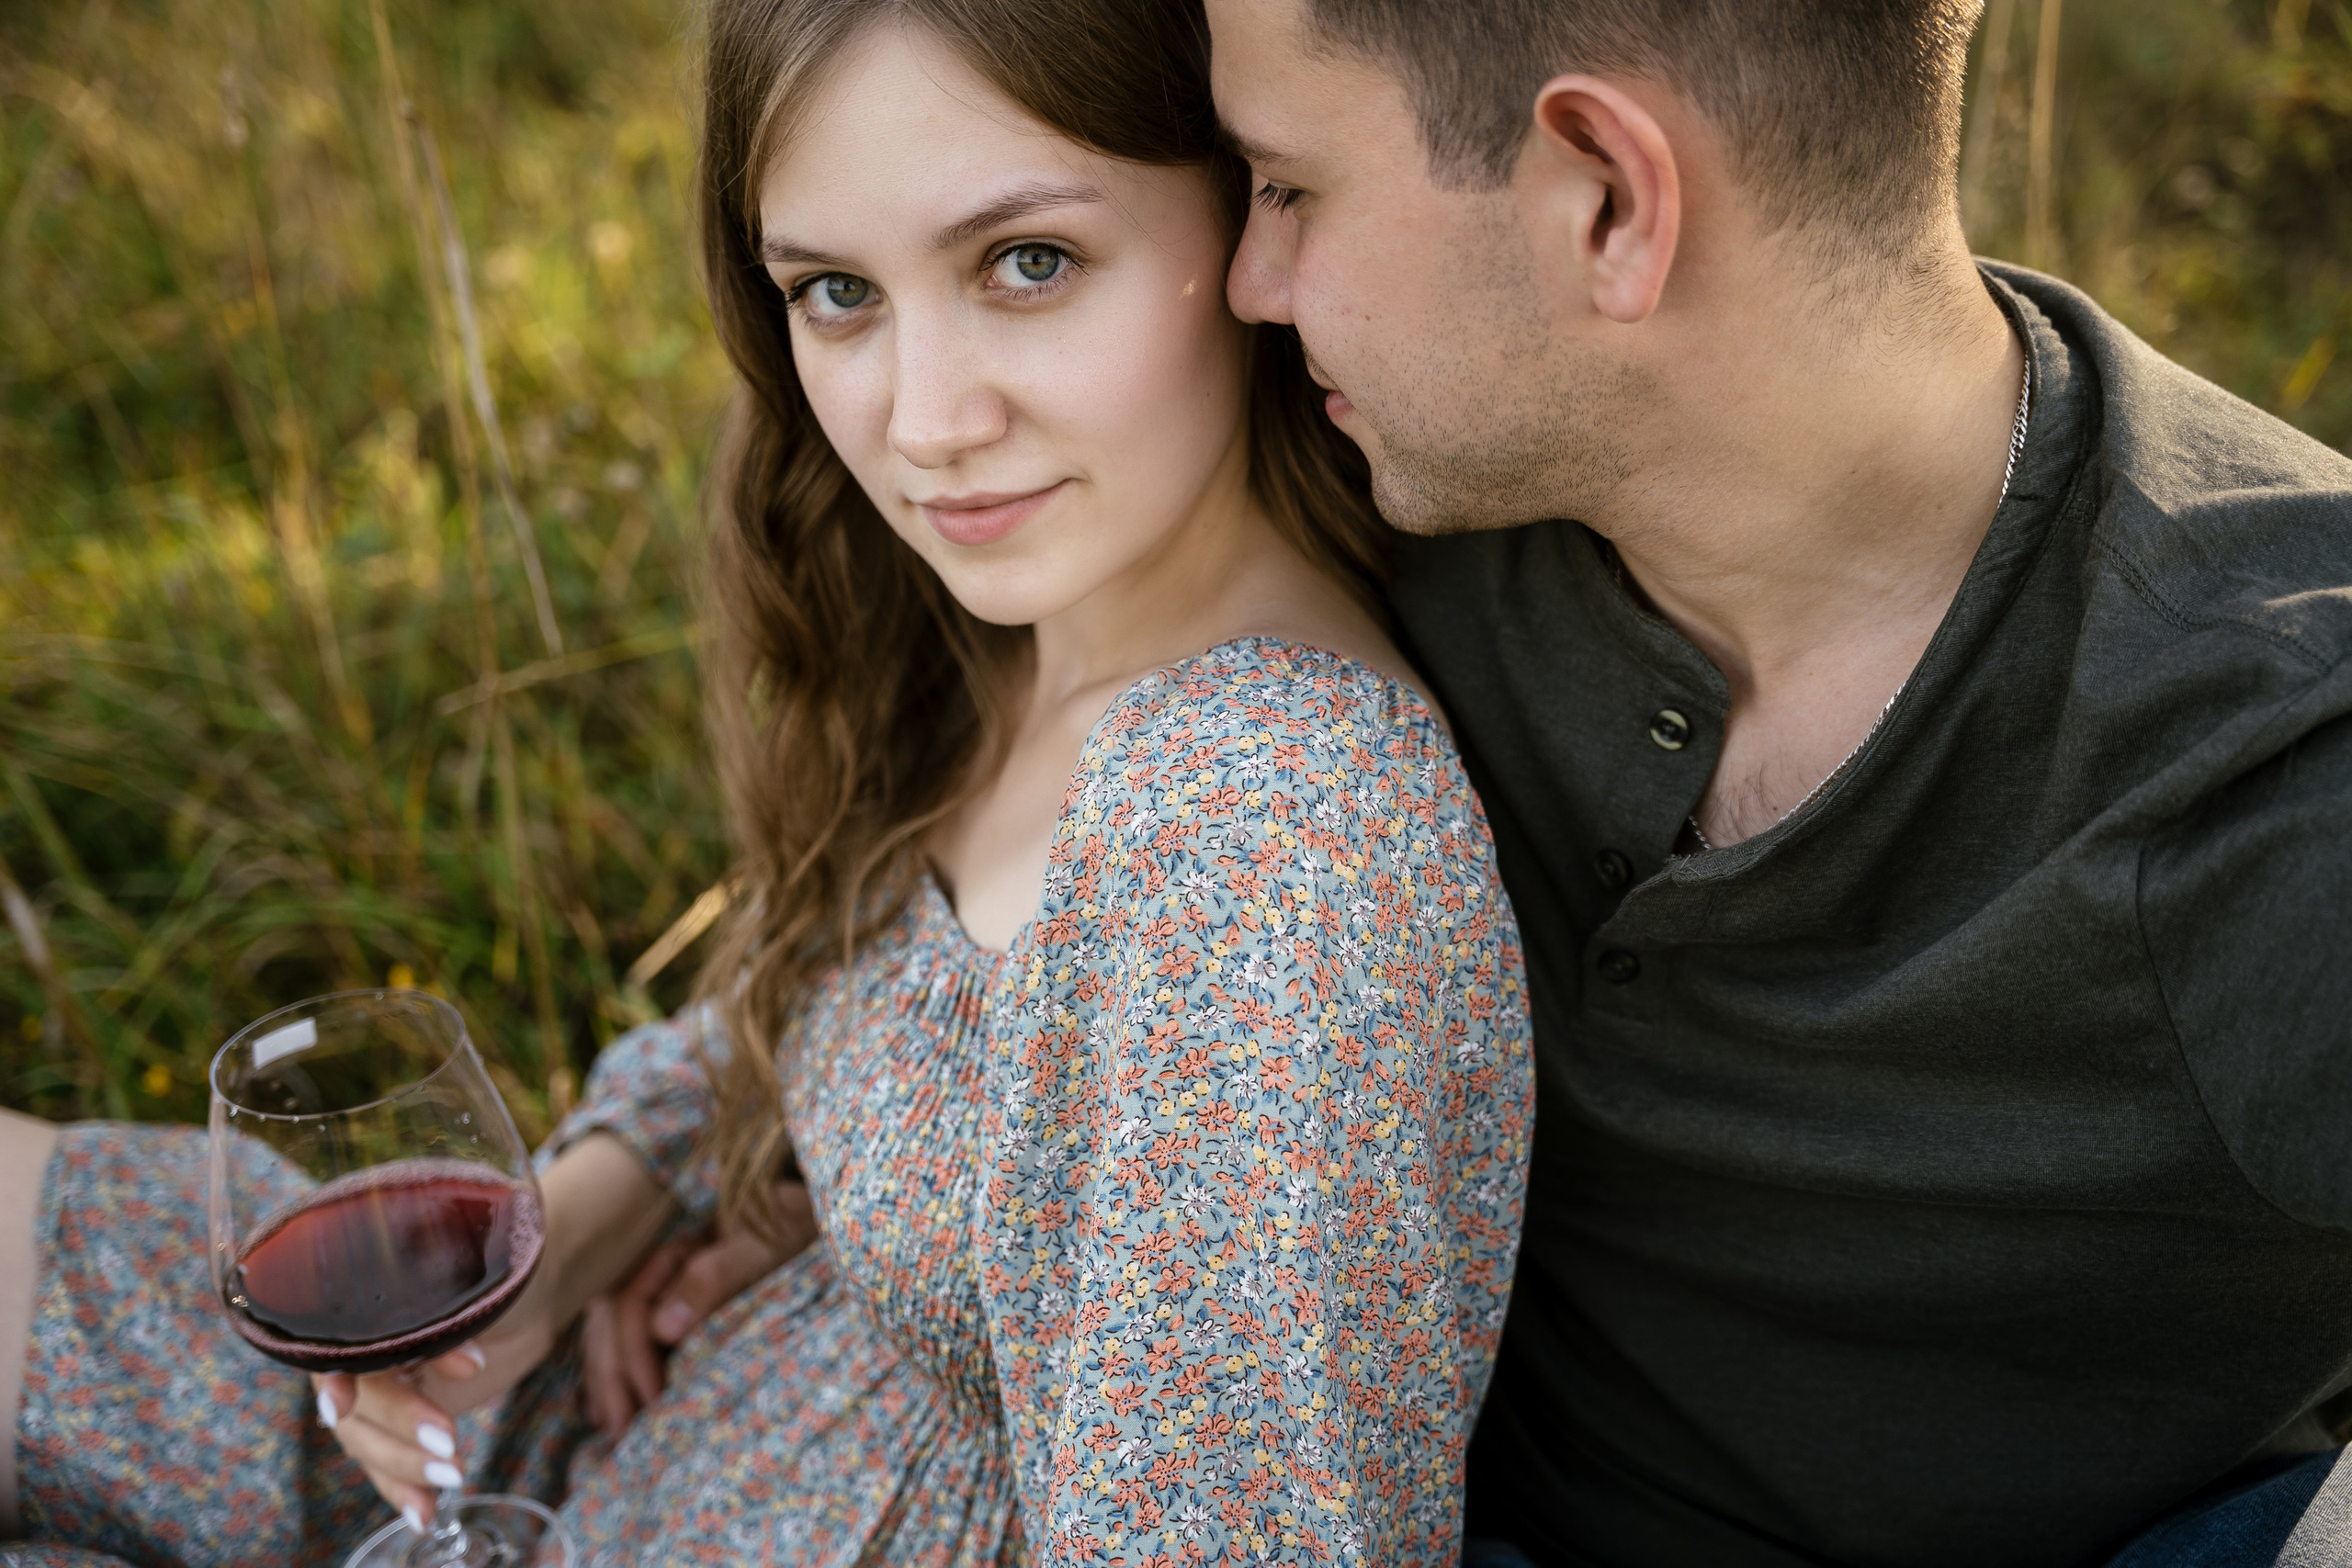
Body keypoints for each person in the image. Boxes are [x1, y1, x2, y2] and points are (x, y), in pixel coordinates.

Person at [0, 0, 1536, 1562]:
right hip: (589, 1423)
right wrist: (592, 1226)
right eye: (837, 292)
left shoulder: (1262, 827)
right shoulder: (1016, 625)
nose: (925, 422)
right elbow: (832, 1010)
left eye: (1030, 263)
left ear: (1249, 215)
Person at [1185, 1, 2352, 1566]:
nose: (1247, 285)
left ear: (1605, 198)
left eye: (1286, 189)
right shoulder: (1383, 463)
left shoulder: (2277, 734)